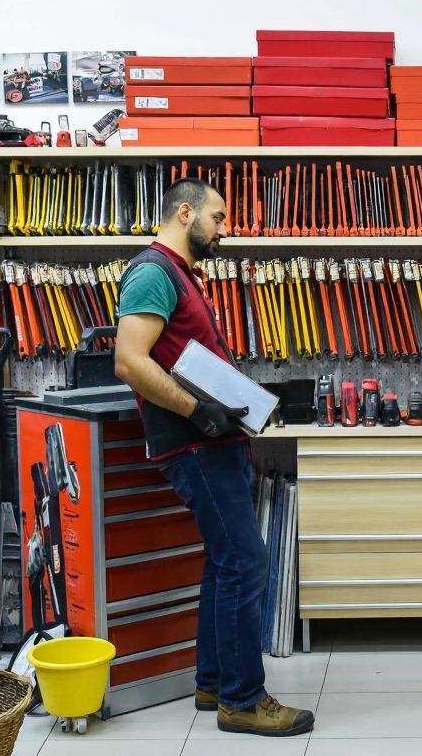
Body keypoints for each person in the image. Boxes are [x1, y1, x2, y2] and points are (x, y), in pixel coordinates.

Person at [114, 179, 315, 737]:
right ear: (185, 213)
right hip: (196, 445)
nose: (225, 230)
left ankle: (213, 681)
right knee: (247, 562)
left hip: (215, 442)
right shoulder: (153, 272)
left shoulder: (180, 276)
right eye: (218, 218)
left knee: (225, 561)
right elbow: (130, 361)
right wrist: (199, 412)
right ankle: (243, 699)